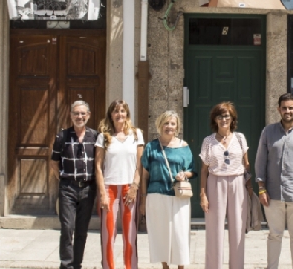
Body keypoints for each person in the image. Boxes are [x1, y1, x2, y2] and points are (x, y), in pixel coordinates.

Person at [255, 92, 293, 269]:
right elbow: (260, 161)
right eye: (284, 108)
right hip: (272, 194)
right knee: (274, 235)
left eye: (291, 108)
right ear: (279, 110)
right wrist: (261, 188)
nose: (288, 111)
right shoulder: (268, 132)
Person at [199, 102, 252, 269]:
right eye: (220, 116)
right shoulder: (208, 141)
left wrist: (249, 189)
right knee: (214, 232)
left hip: (237, 183)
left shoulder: (240, 138)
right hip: (215, 183)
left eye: (227, 116)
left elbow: (246, 165)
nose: (224, 119)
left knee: (237, 231)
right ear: (215, 119)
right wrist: (203, 194)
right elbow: (204, 170)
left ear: (232, 118)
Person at [140, 110, 196, 269]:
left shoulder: (184, 146)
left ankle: (180, 267)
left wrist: (184, 174)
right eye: (166, 123)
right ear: (160, 124)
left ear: (177, 126)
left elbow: (193, 170)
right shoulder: (151, 147)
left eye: (172, 123)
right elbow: (144, 174)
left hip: (179, 196)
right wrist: (143, 200)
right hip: (156, 195)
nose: (169, 126)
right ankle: (165, 266)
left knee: (180, 234)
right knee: (161, 234)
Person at [95, 100, 144, 269]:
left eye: (122, 111)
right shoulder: (104, 136)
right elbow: (98, 166)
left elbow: (140, 164)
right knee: (108, 233)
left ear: (127, 114)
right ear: (111, 115)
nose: (119, 114)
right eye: (116, 111)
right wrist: (102, 192)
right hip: (109, 187)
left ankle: (131, 267)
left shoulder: (136, 134)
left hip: (129, 187)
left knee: (130, 233)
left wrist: (134, 187)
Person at [51, 100, 98, 269]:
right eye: (76, 113)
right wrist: (63, 180)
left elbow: (100, 163)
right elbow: (54, 162)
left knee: (82, 229)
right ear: (71, 116)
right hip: (68, 187)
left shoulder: (95, 136)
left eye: (83, 113)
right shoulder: (62, 136)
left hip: (88, 188)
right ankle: (66, 265)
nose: (80, 116)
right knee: (67, 227)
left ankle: (76, 264)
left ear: (88, 115)